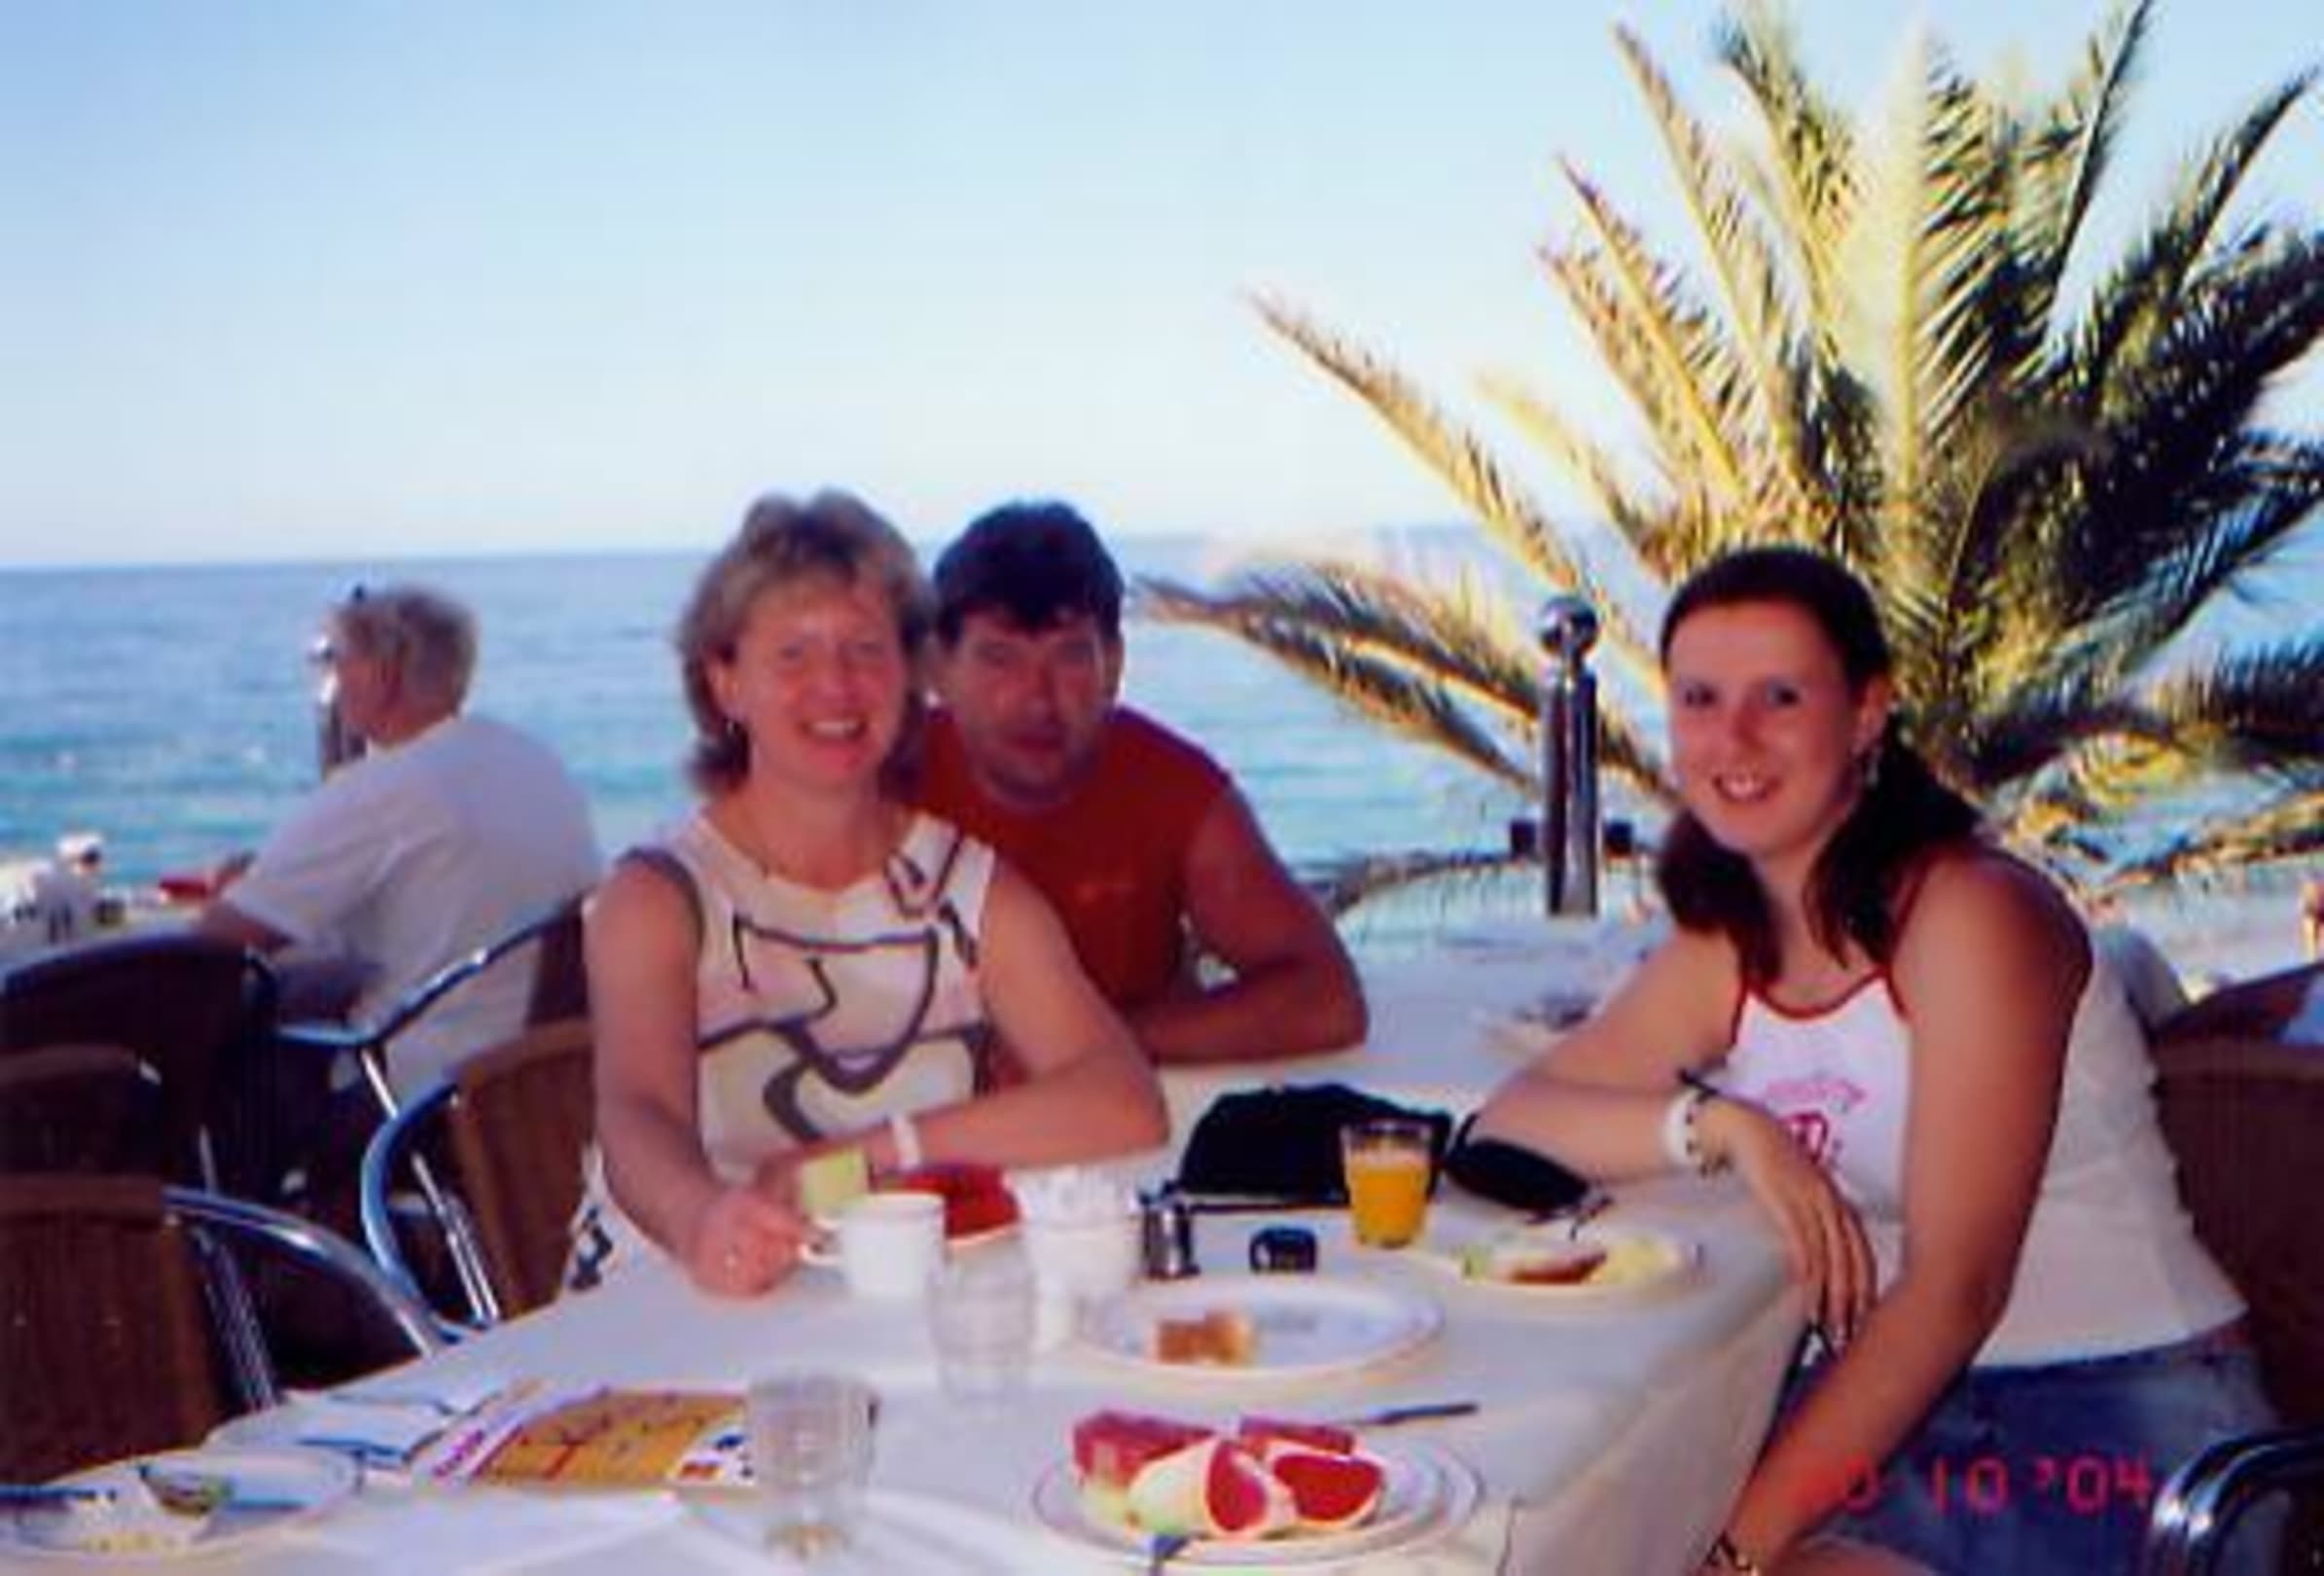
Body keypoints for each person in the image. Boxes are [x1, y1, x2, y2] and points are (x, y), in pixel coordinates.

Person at [1470, 547, 2270, 1575]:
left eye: (1779, 697)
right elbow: (1513, 1118)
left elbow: (1953, 1292)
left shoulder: (1968, 915)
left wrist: (1729, 1557)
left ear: (1864, 715)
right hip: (1899, 1406)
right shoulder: (1734, 941)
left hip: (2114, 1408)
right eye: (1701, 699)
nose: (1733, 737)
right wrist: (1719, 1128)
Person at [570, 491, 1166, 1297]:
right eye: (793, 655)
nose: (836, 685)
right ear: (725, 682)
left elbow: (1124, 1102)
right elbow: (637, 1115)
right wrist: (703, 1218)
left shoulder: (970, 892)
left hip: (900, 1290)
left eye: (865, 649)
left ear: (912, 675)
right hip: (680, 1290)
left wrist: (870, 1156)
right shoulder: (659, 899)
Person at [915, 500, 1366, 1065]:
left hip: (1119, 1104)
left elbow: (1327, 1001)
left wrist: (1085, 1045)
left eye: (1070, 656)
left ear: (1114, 665)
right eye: (1000, 659)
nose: (1038, 698)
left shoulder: (1172, 790)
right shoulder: (881, 784)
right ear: (939, 670)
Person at [197, 585, 601, 1096]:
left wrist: (242, 892)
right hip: (536, 1075)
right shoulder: (531, 760)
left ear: (382, 676)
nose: (332, 682)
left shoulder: (381, 790)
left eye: (337, 661)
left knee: (226, 1049)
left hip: (418, 1095)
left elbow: (214, 944)